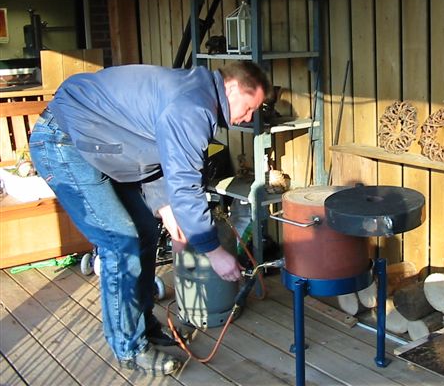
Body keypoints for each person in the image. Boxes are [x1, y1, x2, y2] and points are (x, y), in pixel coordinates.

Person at [28, 61, 271, 376]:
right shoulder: (192, 105)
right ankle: (129, 347)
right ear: (233, 87)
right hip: (64, 142)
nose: (249, 118)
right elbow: (185, 184)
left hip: (101, 144)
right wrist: (213, 251)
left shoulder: (195, 95)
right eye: (250, 108)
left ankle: (143, 326)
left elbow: (156, 154)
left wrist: (166, 211)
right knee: (121, 242)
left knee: (145, 231)